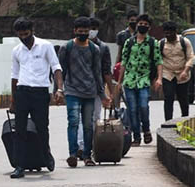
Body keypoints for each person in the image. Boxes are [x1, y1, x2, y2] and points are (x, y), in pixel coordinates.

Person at [10, 18, 63, 179]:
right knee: (20, 130)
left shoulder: (45, 46)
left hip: (40, 92)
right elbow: (14, 75)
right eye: (20, 35)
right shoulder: (17, 51)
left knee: (42, 128)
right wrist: (13, 100)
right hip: (22, 92)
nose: (24, 37)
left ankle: (46, 154)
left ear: (32, 31)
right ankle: (20, 165)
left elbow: (56, 67)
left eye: (26, 34)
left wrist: (59, 89)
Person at [58, 17, 112, 167]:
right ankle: (73, 154)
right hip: (72, 91)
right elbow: (61, 71)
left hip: (90, 92)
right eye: (80, 31)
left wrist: (103, 95)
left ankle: (87, 155)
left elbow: (97, 73)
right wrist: (59, 90)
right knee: (73, 122)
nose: (83, 34)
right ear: (75, 31)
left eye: (85, 31)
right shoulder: (66, 48)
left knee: (89, 125)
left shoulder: (94, 49)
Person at [117, 14, 162, 145]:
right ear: (136, 25)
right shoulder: (129, 42)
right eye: (140, 23)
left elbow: (158, 61)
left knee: (143, 106)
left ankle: (146, 129)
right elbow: (123, 62)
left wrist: (159, 78)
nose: (142, 26)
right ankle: (136, 136)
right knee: (132, 109)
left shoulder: (153, 43)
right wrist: (119, 82)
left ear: (149, 27)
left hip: (144, 80)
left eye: (145, 24)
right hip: (129, 80)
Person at [75, 17, 114, 158]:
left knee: (94, 118)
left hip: (96, 88)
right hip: (78, 87)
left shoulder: (102, 48)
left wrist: (110, 90)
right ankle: (81, 146)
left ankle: (89, 145)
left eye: (94, 29)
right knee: (80, 118)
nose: (91, 32)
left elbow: (106, 71)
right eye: (89, 28)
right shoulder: (74, 46)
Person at [160, 21, 194, 121]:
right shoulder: (161, 43)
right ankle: (168, 122)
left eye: (170, 33)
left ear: (175, 32)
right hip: (168, 74)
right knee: (168, 99)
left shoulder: (185, 42)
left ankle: (185, 121)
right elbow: (158, 60)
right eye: (166, 33)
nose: (168, 35)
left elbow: (191, 57)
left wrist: (185, 71)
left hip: (182, 75)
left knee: (183, 100)